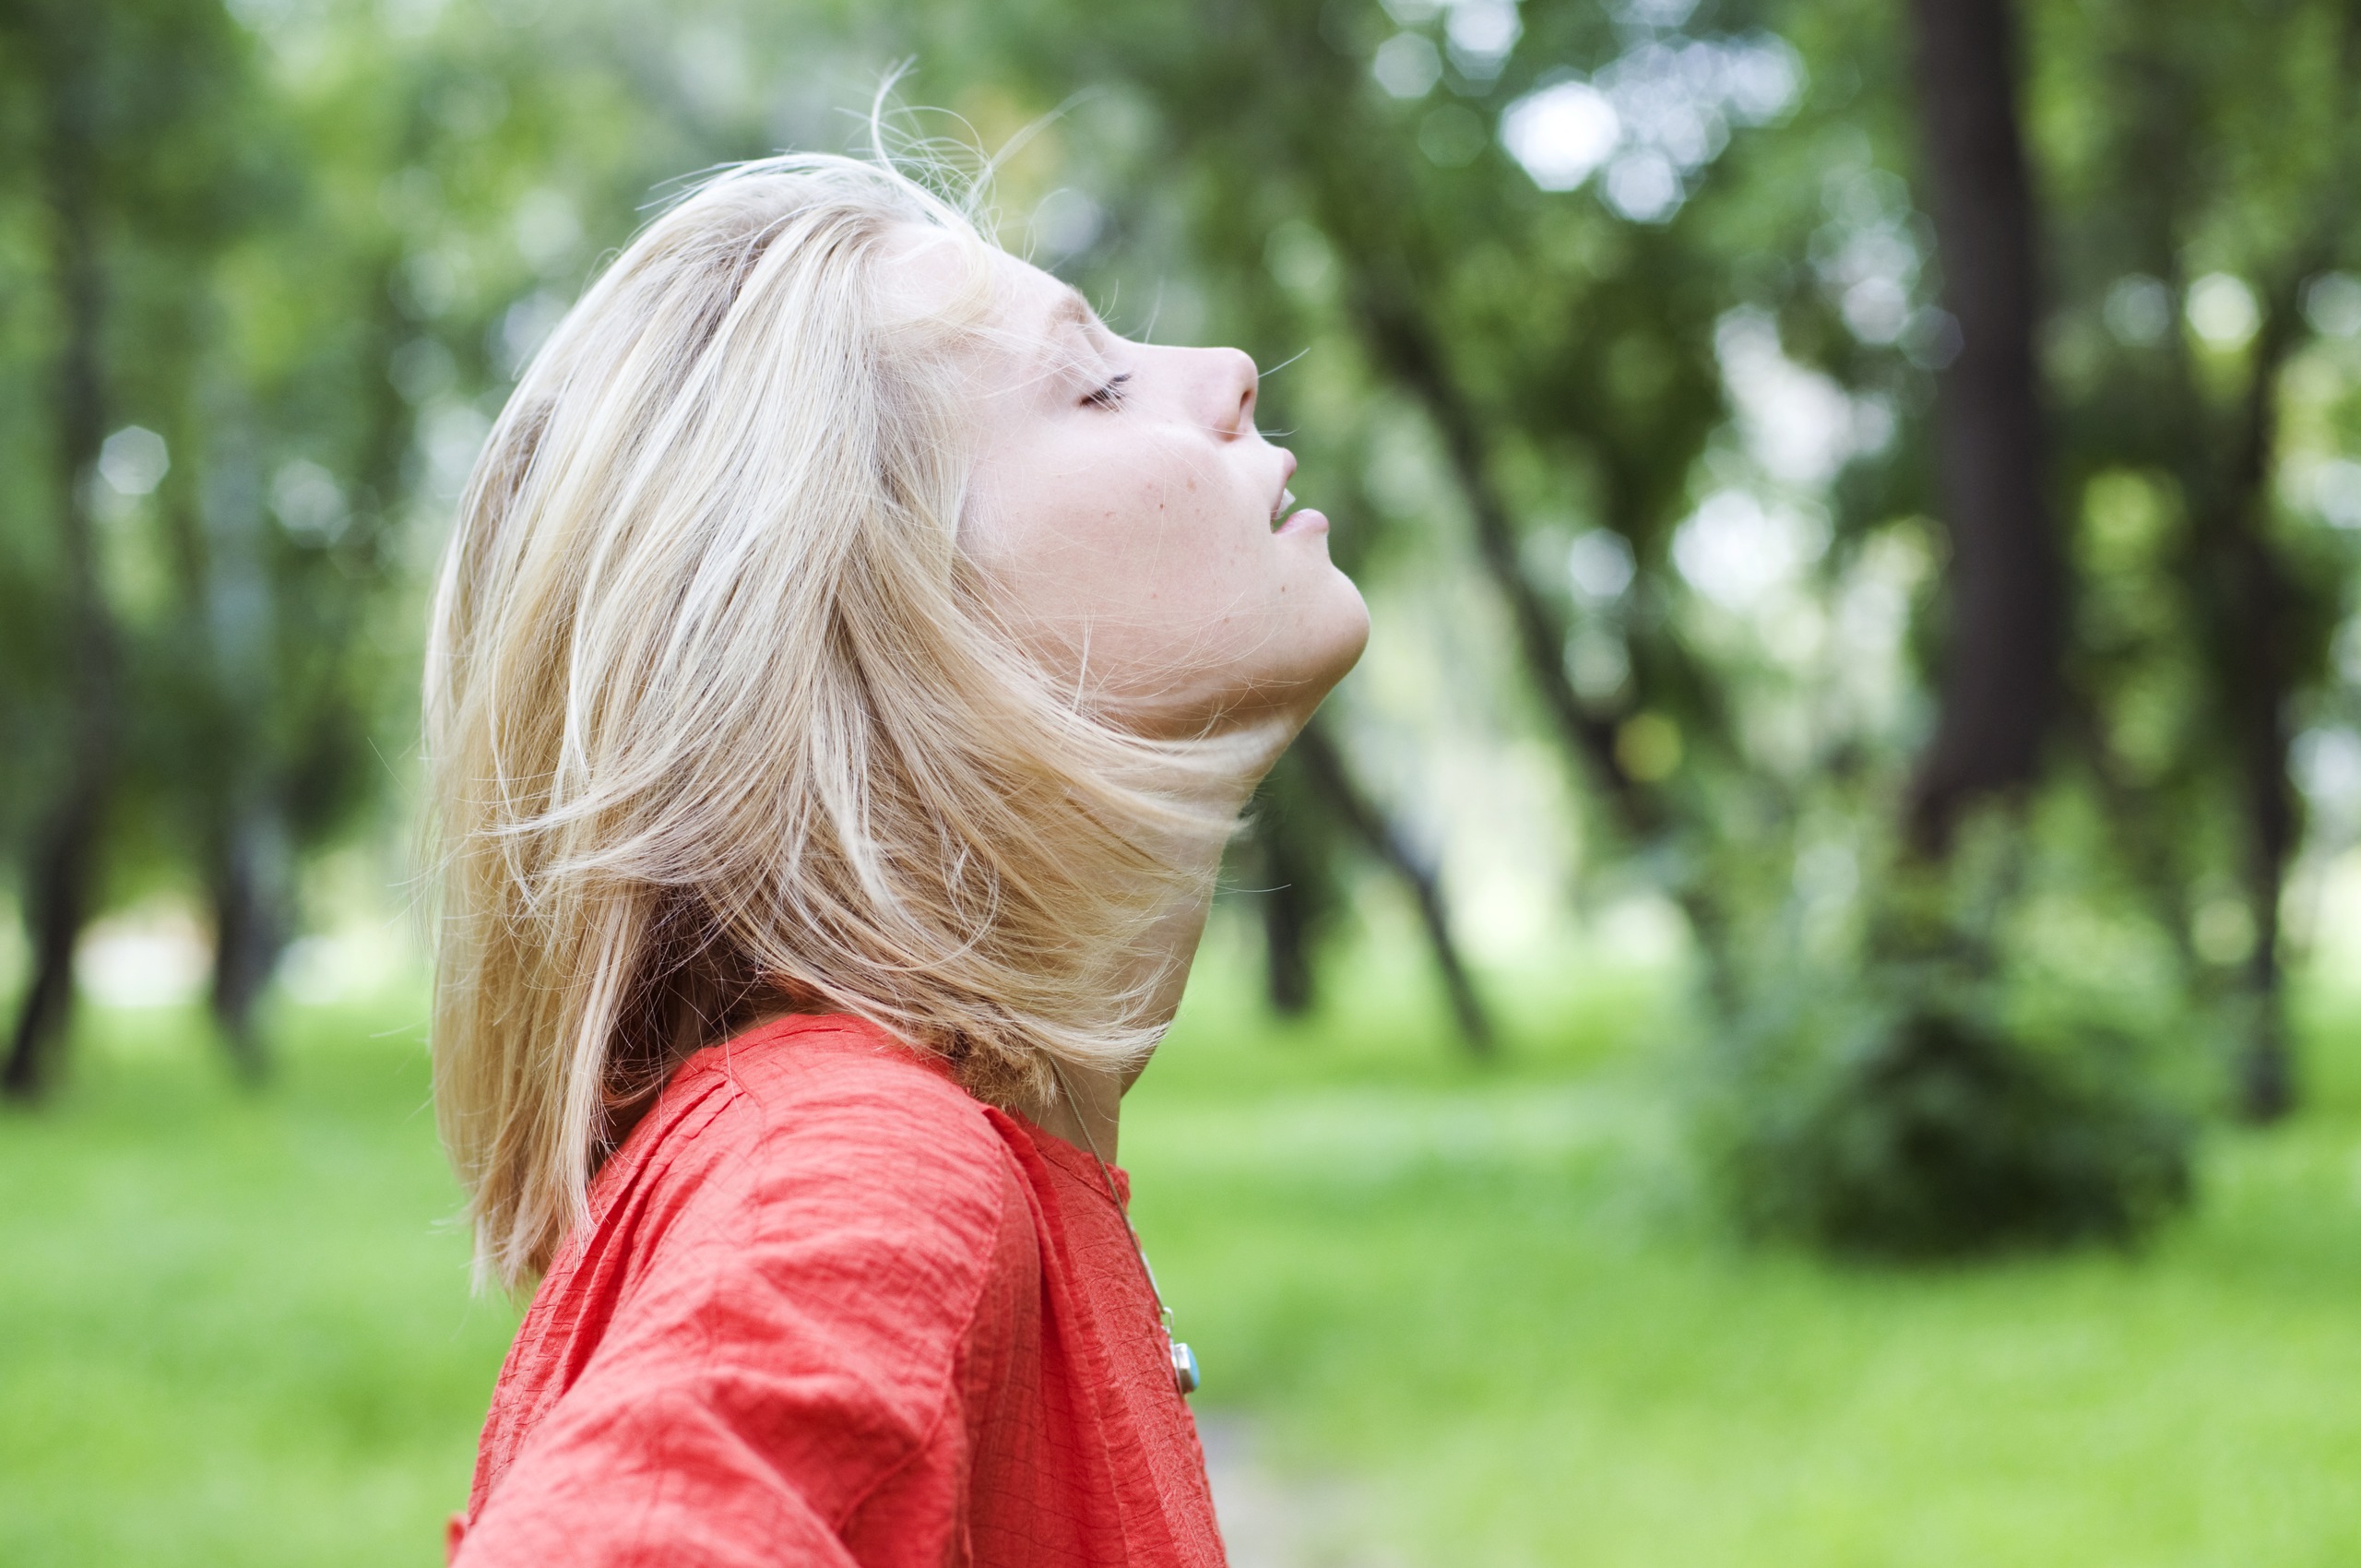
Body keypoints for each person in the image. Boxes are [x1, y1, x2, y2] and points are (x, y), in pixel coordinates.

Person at [423, 152, 1369, 1567]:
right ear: (871, 622)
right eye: (1095, 386)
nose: (1228, 371)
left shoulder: (952, 1144)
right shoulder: (860, 1163)